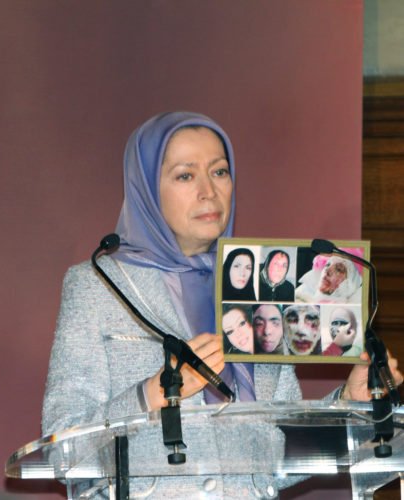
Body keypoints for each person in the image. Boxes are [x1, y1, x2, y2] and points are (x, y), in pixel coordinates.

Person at [42, 111, 402, 499]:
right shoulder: (97, 285)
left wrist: (350, 404)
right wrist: (151, 395)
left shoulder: (256, 284)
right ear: (146, 187)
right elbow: (63, 450)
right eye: (185, 175)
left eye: (219, 172)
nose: (208, 192)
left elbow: (277, 452)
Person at [296, 253, 363, 304]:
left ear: (350, 284)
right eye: (327, 265)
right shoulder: (300, 295)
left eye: (339, 269)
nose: (327, 270)